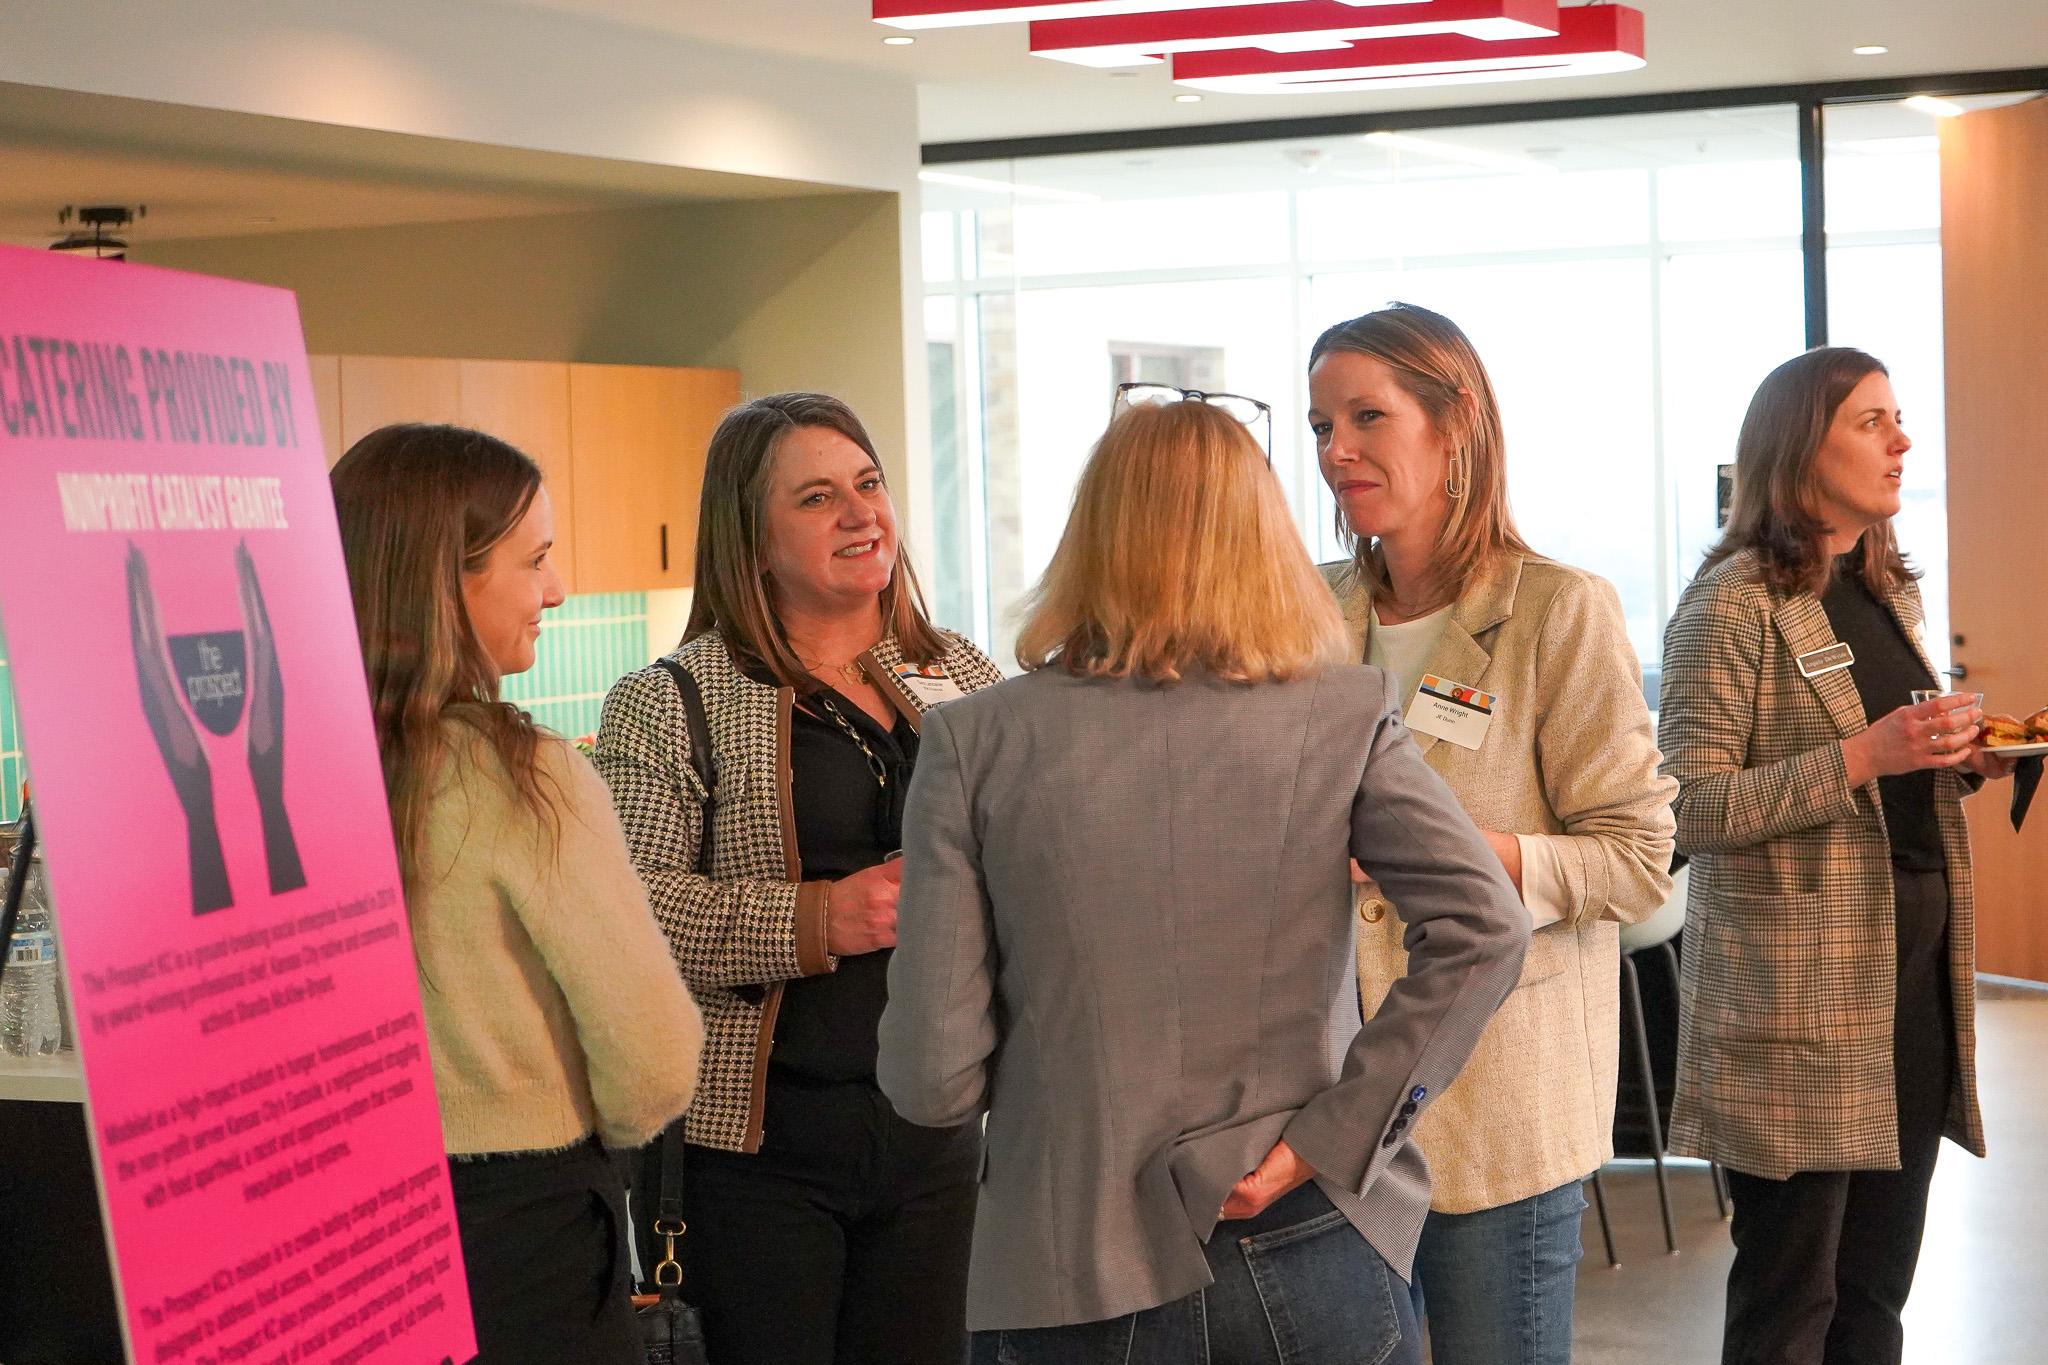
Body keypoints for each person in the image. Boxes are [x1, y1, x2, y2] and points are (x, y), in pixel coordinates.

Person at [877, 394, 1530, 1365]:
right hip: (1309, 1230)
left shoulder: (976, 741)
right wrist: (1331, 1134)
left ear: (1093, 530)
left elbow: (931, 1083)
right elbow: (1487, 927)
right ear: (1260, 535)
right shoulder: (1342, 715)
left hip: (1070, 1269)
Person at [596, 391, 1004, 1365]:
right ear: (752, 540)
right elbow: (630, 914)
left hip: (937, 1141)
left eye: (868, 485)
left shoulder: (962, 671)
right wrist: (821, 917)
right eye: (818, 498)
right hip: (759, 1153)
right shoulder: (670, 702)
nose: (861, 514)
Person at [1309, 302, 1676, 1363]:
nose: (1336, 451)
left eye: (1366, 418)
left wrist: (1453, 854)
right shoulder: (1305, 611)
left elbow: (1634, 861)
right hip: (1333, 1099)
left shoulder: (1557, 611)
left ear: (1454, 420)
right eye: (1320, 424)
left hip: (1495, 1101)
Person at [1660, 347, 2018, 1365]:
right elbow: (1688, 807)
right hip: (1796, 1007)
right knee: (1790, 1301)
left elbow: (1880, 771)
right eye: (1870, 421)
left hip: (1907, 981)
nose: (1900, 440)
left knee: (1873, 1291)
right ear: (1796, 446)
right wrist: (1866, 755)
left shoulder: (1879, 584)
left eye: (1896, 418)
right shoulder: (1730, 603)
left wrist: (1951, 764)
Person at [330, 423, 702, 1365]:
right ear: (444, 580)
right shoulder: (526, 775)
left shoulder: (283, 775)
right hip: (522, 1233)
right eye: (534, 560)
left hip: (342, 1229)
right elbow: (654, 1054)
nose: (558, 589)